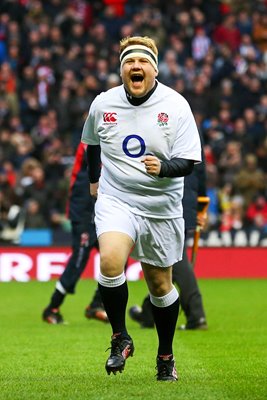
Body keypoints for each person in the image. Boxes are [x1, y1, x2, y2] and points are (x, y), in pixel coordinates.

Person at [81, 36, 202, 381]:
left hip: (161, 207)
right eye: (129, 62)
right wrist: (94, 181)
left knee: (160, 285)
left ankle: (165, 356)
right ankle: (120, 337)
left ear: (154, 69)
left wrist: (162, 168)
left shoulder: (176, 105)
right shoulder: (104, 103)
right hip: (117, 198)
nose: (136, 67)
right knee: (109, 261)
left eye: (142, 62)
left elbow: (189, 162)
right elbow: (91, 143)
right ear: (122, 70)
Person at [129, 161, 208, 330]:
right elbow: (199, 169)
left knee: (174, 261)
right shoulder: (194, 134)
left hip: (169, 200)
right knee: (166, 261)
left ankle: (196, 315)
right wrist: (200, 206)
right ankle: (149, 313)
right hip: (184, 200)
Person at [42, 143, 108, 324]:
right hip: (83, 212)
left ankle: (96, 304)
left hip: (99, 211)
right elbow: (98, 159)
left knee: (116, 257)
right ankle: (52, 308)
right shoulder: (89, 140)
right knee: (79, 260)